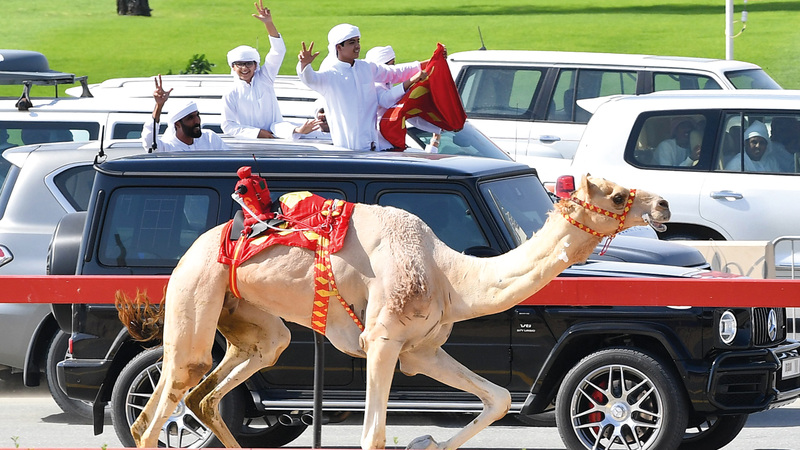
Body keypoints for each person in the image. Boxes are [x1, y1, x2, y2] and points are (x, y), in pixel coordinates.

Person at [296, 24, 426, 151]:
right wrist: (304, 65)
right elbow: (310, 79)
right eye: (352, 42)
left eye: (358, 41)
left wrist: (427, 64)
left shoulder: (366, 67)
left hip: (373, 149)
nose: (357, 46)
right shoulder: (331, 75)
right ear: (339, 47)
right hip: (348, 151)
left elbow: (394, 72)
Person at [222, 1, 320, 139]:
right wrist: (257, 133)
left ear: (256, 65)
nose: (244, 68)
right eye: (240, 64)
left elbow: (277, 51)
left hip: (278, 140)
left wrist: (268, 23)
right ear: (233, 67)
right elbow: (228, 126)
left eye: (249, 63)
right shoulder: (231, 93)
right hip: (247, 144)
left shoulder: (265, 78)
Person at [365, 45, 441, 152]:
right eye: (391, 65)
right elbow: (385, 100)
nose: (393, 68)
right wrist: (411, 80)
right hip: (379, 146)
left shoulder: (386, 84)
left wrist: (435, 61)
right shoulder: (373, 85)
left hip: (391, 141)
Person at [142, 75, 228, 152]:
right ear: (177, 124)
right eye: (190, 118)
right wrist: (159, 106)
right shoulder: (168, 147)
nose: (197, 121)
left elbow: (227, 159)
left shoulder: (210, 138)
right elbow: (149, 143)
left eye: (197, 115)